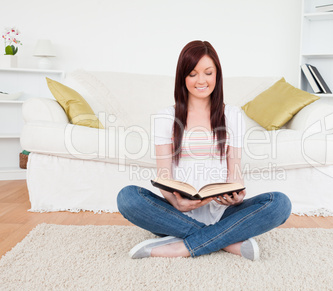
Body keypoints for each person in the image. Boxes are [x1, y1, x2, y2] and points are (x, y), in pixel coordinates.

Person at [117, 40, 292, 261]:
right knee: (128, 198)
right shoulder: (165, 117)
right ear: (183, 77)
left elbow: (234, 171)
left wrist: (236, 196)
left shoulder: (232, 115)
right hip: (177, 212)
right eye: (192, 74)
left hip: (222, 212)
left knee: (280, 204)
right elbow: (164, 176)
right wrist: (176, 202)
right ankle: (226, 240)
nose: (201, 80)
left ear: (217, 75)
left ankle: (181, 246)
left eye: (208, 73)